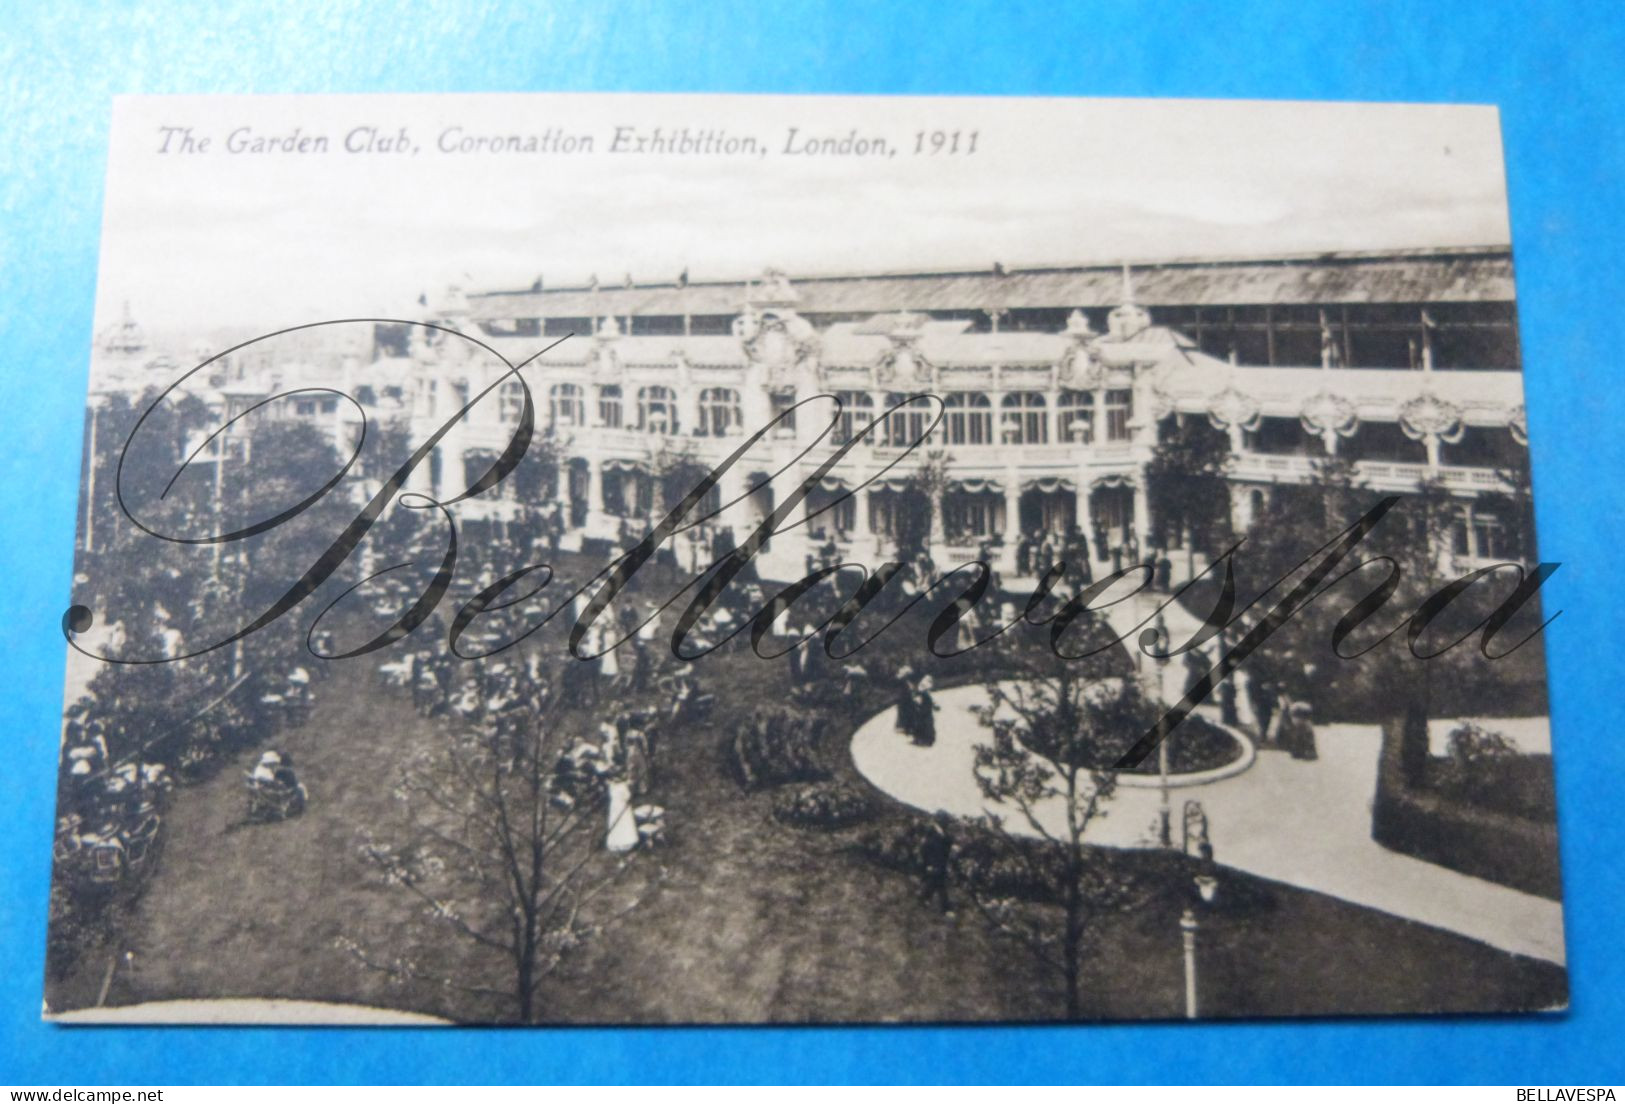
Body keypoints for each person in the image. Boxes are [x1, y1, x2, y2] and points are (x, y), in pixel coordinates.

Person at [919, 812, 953, 914]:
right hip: (934, 863)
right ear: (941, 821)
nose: (947, 823)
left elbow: (946, 846)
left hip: (940, 863)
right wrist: (928, 864)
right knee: (940, 885)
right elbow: (924, 849)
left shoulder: (943, 833)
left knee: (934, 884)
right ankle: (945, 909)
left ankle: (924, 899)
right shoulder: (931, 832)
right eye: (946, 821)